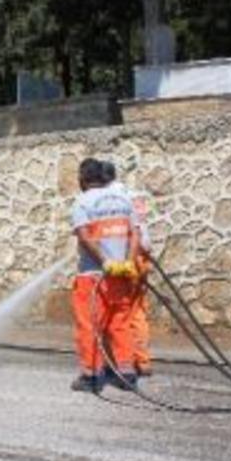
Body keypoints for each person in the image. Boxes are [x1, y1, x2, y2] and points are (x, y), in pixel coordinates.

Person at [70, 158, 140, 392]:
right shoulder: (124, 200)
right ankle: (127, 373)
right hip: (121, 274)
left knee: (90, 325)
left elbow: (84, 235)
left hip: (93, 276)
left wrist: (105, 262)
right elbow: (135, 234)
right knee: (120, 323)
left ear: (82, 179)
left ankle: (90, 376)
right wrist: (128, 262)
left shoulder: (83, 202)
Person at [101, 161, 153, 377]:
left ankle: (119, 362)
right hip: (143, 256)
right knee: (137, 311)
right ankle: (142, 361)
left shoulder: (107, 200)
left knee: (114, 312)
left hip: (123, 258)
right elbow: (142, 232)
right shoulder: (132, 196)